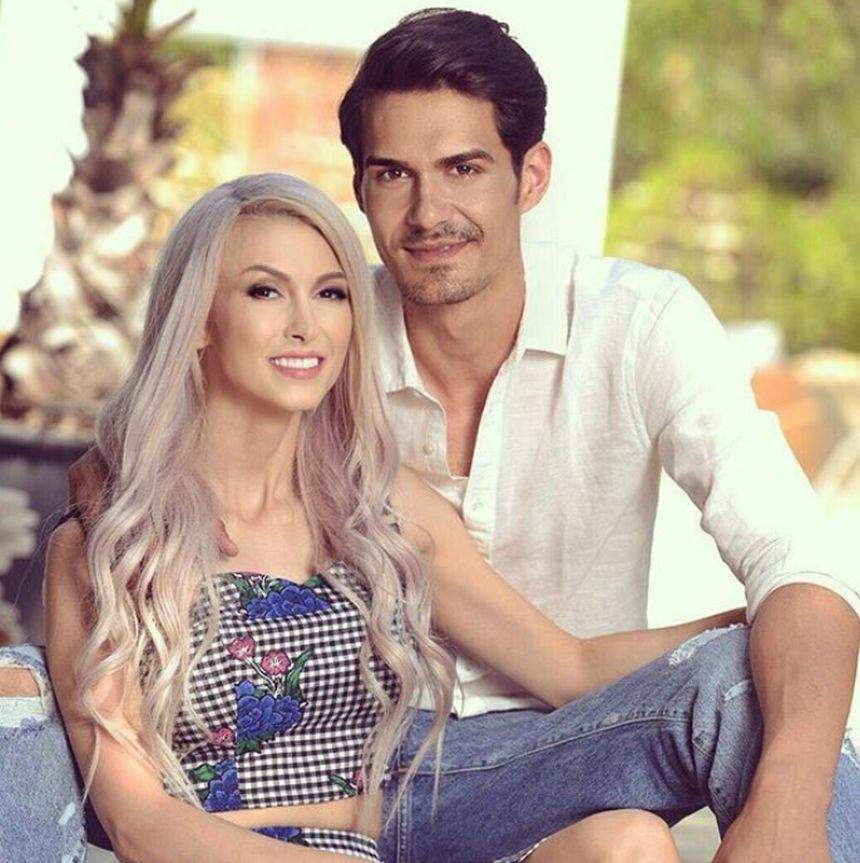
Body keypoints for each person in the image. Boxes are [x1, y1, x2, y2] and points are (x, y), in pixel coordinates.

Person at [20, 6, 860, 862]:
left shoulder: (620, 337)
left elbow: (579, 662)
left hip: (520, 753)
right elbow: (137, 803)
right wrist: (128, 509)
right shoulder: (296, 394)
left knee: (752, 687)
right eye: (394, 173)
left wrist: (769, 656)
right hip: (360, 789)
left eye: (463, 167)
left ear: (531, 176)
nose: (429, 211)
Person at [25, 172, 748, 863]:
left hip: (379, 840)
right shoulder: (111, 542)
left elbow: (568, 667)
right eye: (265, 291)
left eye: (332, 293)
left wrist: (767, 618)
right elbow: (139, 825)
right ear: (197, 323)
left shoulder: (376, 505)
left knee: (630, 837)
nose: (306, 325)